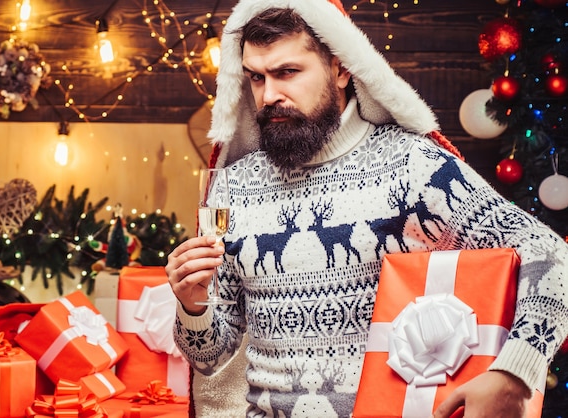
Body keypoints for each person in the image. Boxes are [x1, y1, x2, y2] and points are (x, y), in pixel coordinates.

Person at [165, 0, 568, 416]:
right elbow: (212, 356)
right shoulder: (234, 185)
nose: (268, 96)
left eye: (287, 72)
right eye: (255, 77)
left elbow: (553, 256)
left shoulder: (411, 167)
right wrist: (193, 304)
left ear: (342, 69)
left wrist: (515, 373)